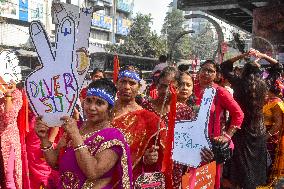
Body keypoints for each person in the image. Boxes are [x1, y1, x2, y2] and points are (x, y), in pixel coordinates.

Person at [35, 78, 132, 189]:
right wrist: (44, 139)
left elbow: (93, 172)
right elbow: (55, 163)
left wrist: (76, 135)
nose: (91, 107)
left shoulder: (113, 136)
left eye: (99, 103)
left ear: (109, 108)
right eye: (89, 100)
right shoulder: (76, 126)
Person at [220, 49, 277, 189]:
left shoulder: (237, 83)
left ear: (244, 71)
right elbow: (278, 67)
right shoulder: (265, 85)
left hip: (238, 130)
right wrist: (262, 55)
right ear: (259, 73)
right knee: (254, 168)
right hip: (258, 131)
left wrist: (244, 55)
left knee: (237, 166)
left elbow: (224, 66)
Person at [194, 60, 244, 189]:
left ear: (217, 75)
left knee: (208, 182)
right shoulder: (190, 88)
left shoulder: (220, 92)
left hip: (210, 147)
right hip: (190, 144)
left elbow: (239, 114)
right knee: (190, 180)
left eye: (211, 71)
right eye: (204, 69)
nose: (206, 73)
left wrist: (227, 136)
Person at [142, 66, 195, 188]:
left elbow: (190, 144)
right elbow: (137, 141)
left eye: (171, 87)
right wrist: (145, 155)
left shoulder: (185, 111)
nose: (166, 91)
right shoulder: (145, 108)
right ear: (157, 85)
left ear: (177, 88)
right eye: (163, 86)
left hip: (174, 169)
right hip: (150, 168)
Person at [112, 67, 166, 183]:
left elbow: (161, 160)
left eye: (132, 83)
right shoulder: (103, 111)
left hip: (132, 180)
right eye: (123, 82)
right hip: (100, 178)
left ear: (139, 87)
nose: (126, 87)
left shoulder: (150, 120)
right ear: (116, 83)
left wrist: (148, 159)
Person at [262, 63, 284, 186]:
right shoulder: (268, 101)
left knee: (270, 163)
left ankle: (269, 185)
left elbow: (278, 123)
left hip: (271, 138)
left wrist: (267, 135)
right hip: (265, 134)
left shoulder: (276, 103)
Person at [0, 80, 23, 189]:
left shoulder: (15, 93)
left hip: (7, 143)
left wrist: (8, 94)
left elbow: (8, 117)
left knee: (9, 179)